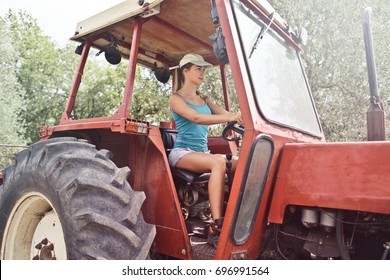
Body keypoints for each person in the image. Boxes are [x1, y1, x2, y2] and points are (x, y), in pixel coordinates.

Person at [168, 53, 242, 248]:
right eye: (197, 69)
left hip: (202, 153)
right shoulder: (176, 98)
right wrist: (230, 117)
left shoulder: (205, 99)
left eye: (203, 69)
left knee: (239, 162)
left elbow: (228, 115)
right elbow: (196, 118)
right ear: (185, 71)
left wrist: (240, 117)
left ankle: (236, 215)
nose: (202, 73)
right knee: (217, 161)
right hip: (182, 152)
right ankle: (216, 227)